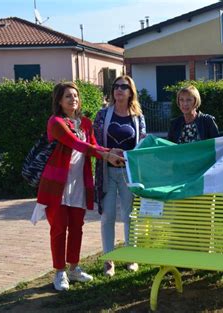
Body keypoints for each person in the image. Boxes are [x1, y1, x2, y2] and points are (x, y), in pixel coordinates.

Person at [33, 82, 125, 291]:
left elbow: (93, 145)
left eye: (75, 95)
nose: (73, 99)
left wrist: (112, 151)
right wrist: (105, 154)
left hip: (79, 184)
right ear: (59, 100)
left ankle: (74, 268)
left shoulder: (84, 122)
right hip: (57, 185)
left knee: (77, 228)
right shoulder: (55, 122)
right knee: (58, 229)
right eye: (68, 96)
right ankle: (59, 272)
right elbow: (77, 144)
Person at [94, 75, 147, 277]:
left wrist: (126, 155)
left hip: (129, 172)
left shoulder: (137, 117)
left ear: (131, 91)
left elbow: (141, 144)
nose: (119, 90)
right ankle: (109, 260)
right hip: (106, 171)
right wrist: (109, 152)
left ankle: (130, 256)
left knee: (129, 215)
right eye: (116, 87)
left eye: (124, 87)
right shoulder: (102, 114)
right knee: (108, 216)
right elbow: (94, 143)